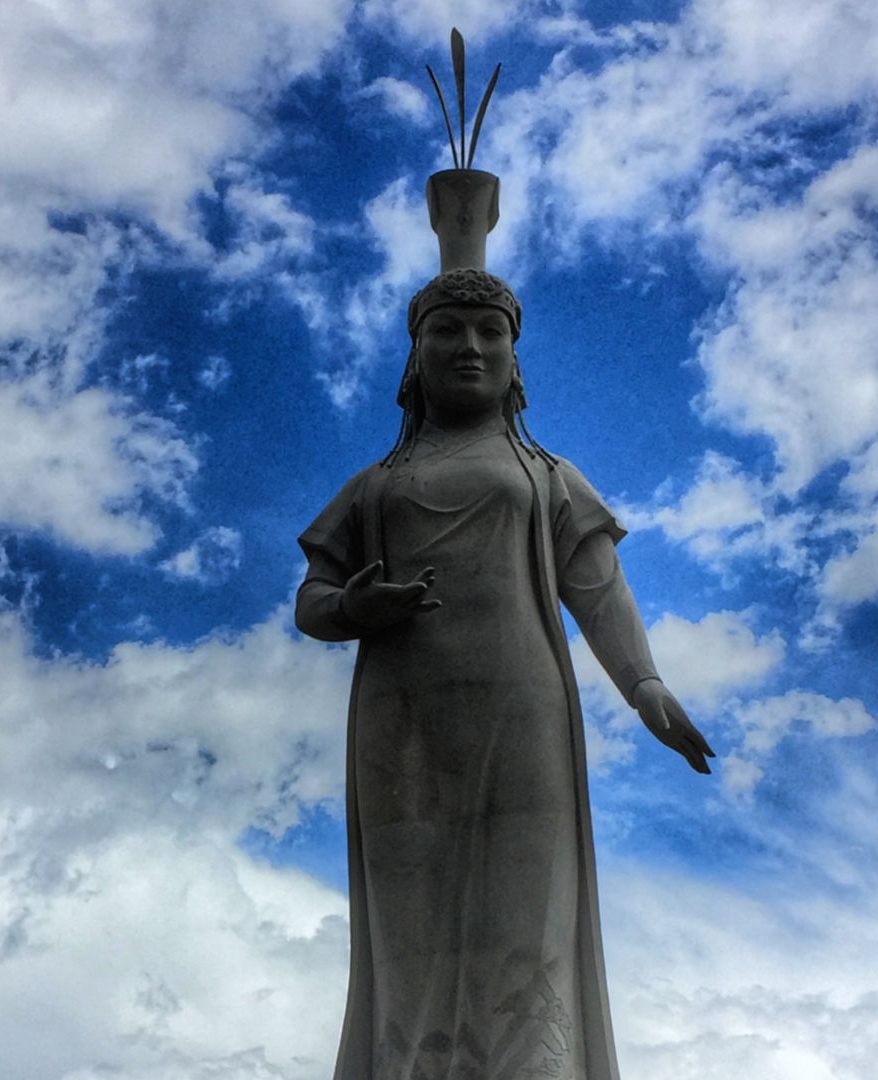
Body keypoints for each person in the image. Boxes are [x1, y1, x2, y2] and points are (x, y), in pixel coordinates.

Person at [297, 266, 715, 1080]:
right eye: (446, 330)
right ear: (414, 356)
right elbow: (312, 601)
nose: (470, 347)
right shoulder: (374, 487)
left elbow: (598, 589)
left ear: (514, 360)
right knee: (411, 928)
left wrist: (645, 684)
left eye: (491, 333)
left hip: (523, 717)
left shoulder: (547, 474)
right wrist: (352, 606)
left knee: (528, 916)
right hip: (403, 727)